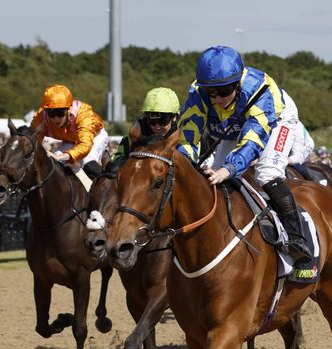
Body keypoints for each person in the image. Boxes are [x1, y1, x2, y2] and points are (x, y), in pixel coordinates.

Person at [177, 45, 311, 264]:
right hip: (232, 124)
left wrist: (227, 169)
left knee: (266, 173)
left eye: (224, 91)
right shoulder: (198, 94)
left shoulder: (258, 90)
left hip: (275, 120)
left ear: (238, 83)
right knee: (214, 183)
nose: (217, 98)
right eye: (211, 92)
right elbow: (188, 137)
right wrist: (188, 165)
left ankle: (297, 238)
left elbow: (253, 140)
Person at [29, 84, 109, 174]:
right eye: (51, 114)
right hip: (70, 140)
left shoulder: (83, 113)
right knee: (53, 163)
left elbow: (85, 145)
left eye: (60, 113)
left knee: (88, 163)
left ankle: (109, 185)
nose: (56, 119)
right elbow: (32, 140)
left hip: (94, 137)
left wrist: (62, 156)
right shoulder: (41, 116)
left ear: (69, 109)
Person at [112, 87, 181, 161]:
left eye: (162, 121)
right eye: (152, 121)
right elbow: (116, 160)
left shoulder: (184, 137)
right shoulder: (135, 135)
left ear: (174, 117)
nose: (157, 127)